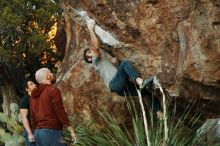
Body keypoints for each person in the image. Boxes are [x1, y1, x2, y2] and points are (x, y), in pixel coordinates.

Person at [83, 20, 163, 118]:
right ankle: (139, 81)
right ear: (90, 58)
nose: (91, 50)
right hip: (115, 84)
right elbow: (95, 46)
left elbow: (117, 68)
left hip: (121, 89)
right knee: (125, 62)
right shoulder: (95, 62)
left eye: (90, 50)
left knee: (146, 92)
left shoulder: (102, 62)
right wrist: (90, 28)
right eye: (89, 52)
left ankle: (159, 113)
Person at [30, 68, 77, 145]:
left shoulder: (32, 97)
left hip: (38, 133)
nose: (52, 74)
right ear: (48, 76)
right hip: (51, 132)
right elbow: (60, 111)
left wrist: (36, 130)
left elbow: (33, 116)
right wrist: (71, 131)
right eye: (50, 73)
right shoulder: (53, 90)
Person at [19, 80, 37, 146]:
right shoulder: (24, 100)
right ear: (27, 89)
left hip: (40, 129)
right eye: (31, 84)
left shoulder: (39, 98)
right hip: (31, 130)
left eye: (34, 83)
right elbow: (24, 118)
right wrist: (29, 133)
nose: (34, 85)